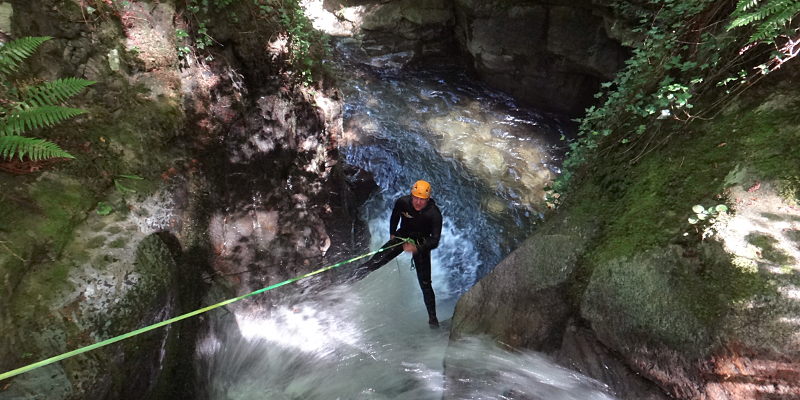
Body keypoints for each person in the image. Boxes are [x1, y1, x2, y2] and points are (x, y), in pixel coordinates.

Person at [355, 180, 443, 328]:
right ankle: (344, 283)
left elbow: (434, 240)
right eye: (415, 198)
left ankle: (433, 321)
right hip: (402, 237)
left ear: (428, 200)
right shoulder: (403, 202)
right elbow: (395, 216)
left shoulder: (434, 214)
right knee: (373, 263)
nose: (418, 202)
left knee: (425, 284)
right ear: (411, 195)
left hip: (421, 243)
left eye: (422, 199)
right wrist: (392, 234)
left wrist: (416, 248)